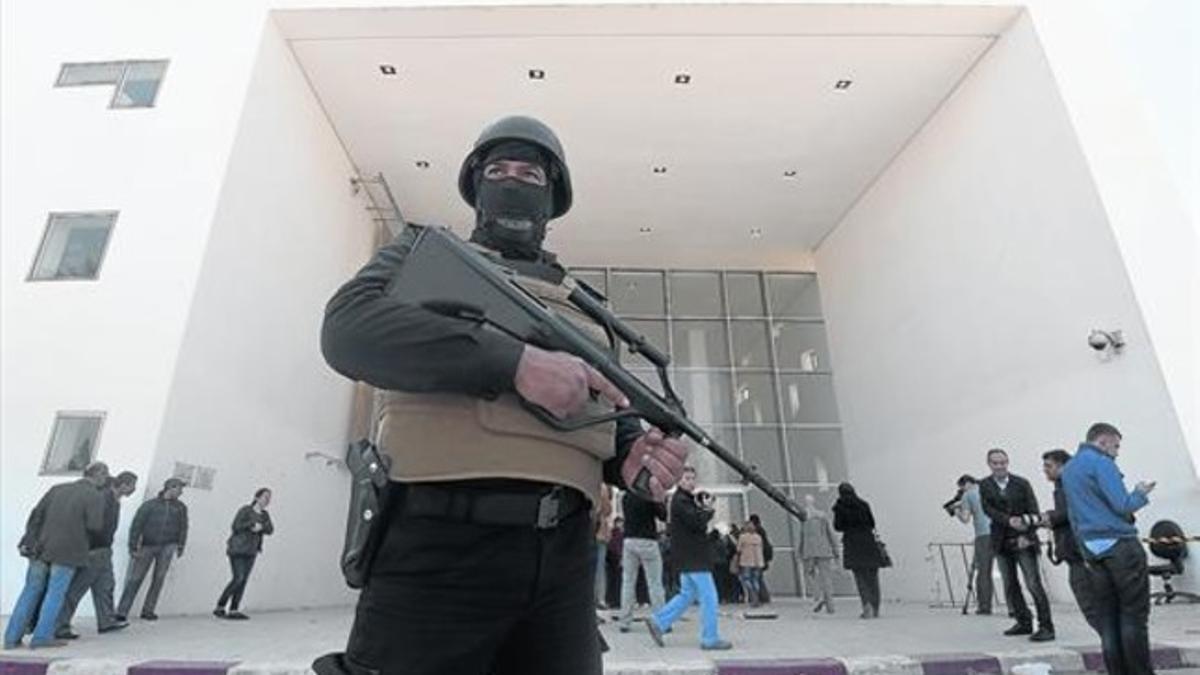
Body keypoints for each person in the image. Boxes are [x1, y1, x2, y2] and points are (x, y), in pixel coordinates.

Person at [314, 115, 688, 675]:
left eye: (530, 174)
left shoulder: (583, 305)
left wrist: (629, 456)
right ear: (475, 185)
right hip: (437, 544)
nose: (513, 181)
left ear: (554, 195)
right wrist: (512, 362)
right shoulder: (420, 252)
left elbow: (602, 409)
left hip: (563, 562)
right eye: (498, 169)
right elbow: (348, 330)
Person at [1061, 423, 1156, 675]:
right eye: (1116, 446)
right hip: (1120, 546)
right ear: (1102, 441)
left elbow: (1074, 515)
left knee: (1108, 618)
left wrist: (1085, 550)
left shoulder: (1069, 469)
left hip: (1092, 548)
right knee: (1133, 616)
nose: (1117, 452)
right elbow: (1122, 505)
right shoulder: (1102, 463)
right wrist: (1140, 493)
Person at [4, 462, 109, 649]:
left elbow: (36, 515)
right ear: (99, 475)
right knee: (55, 594)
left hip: (40, 548)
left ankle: (11, 638)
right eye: (105, 476)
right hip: (68, 552)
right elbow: (95, 526)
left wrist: (30, 540)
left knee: (29, 591)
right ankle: (42, 637)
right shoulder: (95, 496)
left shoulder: (57, 489)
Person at [647, 468, 732, 650]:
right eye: (686, 478)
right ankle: (710, 638)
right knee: (709, 597)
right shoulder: (680, 501)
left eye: (693, 478)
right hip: (694, 558)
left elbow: (696, 531)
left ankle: (659, 621)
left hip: (689, 556)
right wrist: (708, 508)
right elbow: (698, 522)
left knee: (687, 595)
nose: (691, 482)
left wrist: (715, 533)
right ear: (679, 480)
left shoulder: (684, 500)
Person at [979, 448, 1054, 642]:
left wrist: (1028, 535)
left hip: (1024, 539)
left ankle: (1046, 626)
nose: (999, 466)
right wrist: (1008, 520)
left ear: (1008, 462)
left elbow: (1034, 510)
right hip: (1001, 540)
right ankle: (1023, 621)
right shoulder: (985, 485)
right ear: (989, 464)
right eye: (995, 463)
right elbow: (988, 509)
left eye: (1002, 462)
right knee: (1010, 584)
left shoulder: (1022, 483)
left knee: (1033, 583)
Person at [55, 470, 138, 639]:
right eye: (132, 485)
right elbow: (94, 524)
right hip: (94, 550)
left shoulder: (114, 500)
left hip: (105, 550)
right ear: (123, 484)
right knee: (77, 588)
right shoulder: (104, 498)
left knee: (106, 586)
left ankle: (106, 621)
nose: (133, 489)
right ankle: (60, 625)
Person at [1038, 450, 1098, 633]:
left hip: (1081, 554)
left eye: (1049, 466)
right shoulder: (1063, 485)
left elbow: (1073, 512)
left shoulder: (1070, 485)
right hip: (1077, 553)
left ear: (1063, 466)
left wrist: (1050, 517)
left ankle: (1118, 651)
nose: (1045, 470)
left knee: (1092, 608)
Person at [116, 477, 188, 622]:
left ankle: (148, 610)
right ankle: (122, 611)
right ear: (171, 488)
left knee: (159, 579)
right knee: (135, 578)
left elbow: (183, 527)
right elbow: (137, 525)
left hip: (168, 545)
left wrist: (180, 545)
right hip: (147, 545)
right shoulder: (150, 505)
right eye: (179, 488)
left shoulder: (180, 507)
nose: (181, 492)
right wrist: (133, 545)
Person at [214, 488, 275, 620]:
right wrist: (251, 525)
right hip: (238, 549)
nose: (267, 500)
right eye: (265, 497)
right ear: (257, 497)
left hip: (252, 551)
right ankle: (220, 605)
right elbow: (236, 526)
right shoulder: (245, 510)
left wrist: (262, 527)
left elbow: (270, 530)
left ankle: (234, 609)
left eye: (269, 498)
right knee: (238, 578)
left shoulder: (265, 515)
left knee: (243, 581)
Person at [617, 491, 667, 633]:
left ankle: (625, 621)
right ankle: (662, 620)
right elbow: (663, 516)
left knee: (628, 582)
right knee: (655, 583)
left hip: (629, 540)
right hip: (648, 540)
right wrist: (660, 499)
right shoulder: (649, 496)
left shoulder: (626, 496)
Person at [833, 482, 884, 619]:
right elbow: (872, 523)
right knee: (873, 577)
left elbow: (838, 526)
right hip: (868, 542)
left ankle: (866, 606)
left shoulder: (840, 507)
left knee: (860, 577)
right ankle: (876, 607)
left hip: (853, 544)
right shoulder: (863, 504)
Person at [953, 474, 995, 615]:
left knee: (983, 572)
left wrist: (956, 510)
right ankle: (1014, 608)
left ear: (966, 484)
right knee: (1008, 571)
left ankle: (984, 607)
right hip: (1001, 532)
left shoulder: (968, 495)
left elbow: (965, 519)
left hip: (983, 535)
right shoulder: (990, 489)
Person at [799, 493, 839, 614]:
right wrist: (835, 549)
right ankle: (830, 606)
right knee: (826, 578)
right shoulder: (822, 516)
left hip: (809, 550)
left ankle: (818, 596)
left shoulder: (804, 517)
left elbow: (801, 536)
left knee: (810, 575)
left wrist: (799, 551)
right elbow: (830, 534)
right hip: (823, 549)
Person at [735, 520, 765, 607]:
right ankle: (757, 598)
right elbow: (761, 548)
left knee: (746, 579)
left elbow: (738, 550)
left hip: (746, 561)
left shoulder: (742, 537)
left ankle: (752, 596)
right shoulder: (758, 537)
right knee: (755, 580)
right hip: (758, 562)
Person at [595, 484, 614, 609]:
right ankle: (600, 598)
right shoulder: (602, 487)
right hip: (599, 533)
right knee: (599, 568)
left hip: (586, 531)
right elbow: (607, 510)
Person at [748, 513, 773, 603]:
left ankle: (762, 597)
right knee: (758, 577)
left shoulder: (757, 532)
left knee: (756, 578)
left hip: (758, 558)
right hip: (762, 558)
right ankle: (763, 596)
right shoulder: (762, 531)